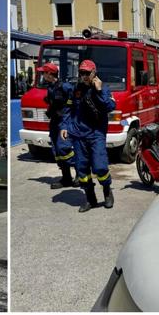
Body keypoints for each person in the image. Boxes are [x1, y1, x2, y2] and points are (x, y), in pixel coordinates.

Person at [61, 60, 116, 212]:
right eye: (81, 73)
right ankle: (90, 199)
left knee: (100, 167)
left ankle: (107, 192)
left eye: (87, 73)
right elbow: (68, 109)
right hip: (78, 135)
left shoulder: (103, 88)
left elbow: (110, 107)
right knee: (82, 170)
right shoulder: (76, 89)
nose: (84, 76)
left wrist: (98, 91)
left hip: (96, 134)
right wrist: (65, 126)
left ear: (94, 73)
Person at [37, 62, 75, 189]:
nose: (42, 74)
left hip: (65, 122)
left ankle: (82, 175)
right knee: (57, 150)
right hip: (55, 122)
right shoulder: (51, 87)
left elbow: (73, 105)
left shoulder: (66, 87)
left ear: (49, 74)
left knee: (64, 149)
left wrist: (67, 122)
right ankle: (66, 178)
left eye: (43, 72)